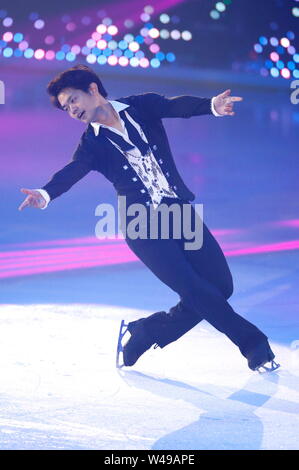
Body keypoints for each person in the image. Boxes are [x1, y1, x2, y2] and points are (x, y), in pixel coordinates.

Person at [18, 65, 279, 373]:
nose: (71, 110)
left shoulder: (140, 106)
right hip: (140, 224)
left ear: (92, 89)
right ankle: (254, 344)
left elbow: (175, 106)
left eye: (73, 100)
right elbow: (73, 170)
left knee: (220, 286)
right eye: (65, 108)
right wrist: (45, 193)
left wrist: (212, 106)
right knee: (194, 288)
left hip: (178, 211)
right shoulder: (92, 144)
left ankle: (146, 332)